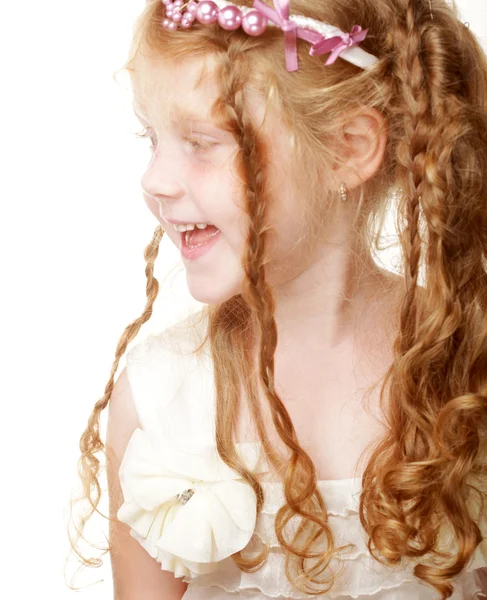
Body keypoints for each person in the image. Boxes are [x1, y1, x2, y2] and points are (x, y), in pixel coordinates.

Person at [68, 0, 487, 598]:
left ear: (349, 148)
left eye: (202, 141)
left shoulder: (465, 364)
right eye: (151, 137)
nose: (155, 179)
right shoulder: (163, 398)